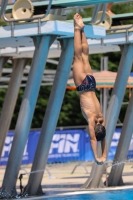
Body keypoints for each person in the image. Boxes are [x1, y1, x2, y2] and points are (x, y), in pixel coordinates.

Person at [73, 13, 106, 165]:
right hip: (84, 86)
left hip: (92, 84)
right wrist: (97, 157)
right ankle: (76, 28)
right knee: (78, 56)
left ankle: (82, 30)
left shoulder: (101, 118)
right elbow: (94, 139)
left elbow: (102, 137)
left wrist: (104, 154)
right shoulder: (93, 119)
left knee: (85, 55)